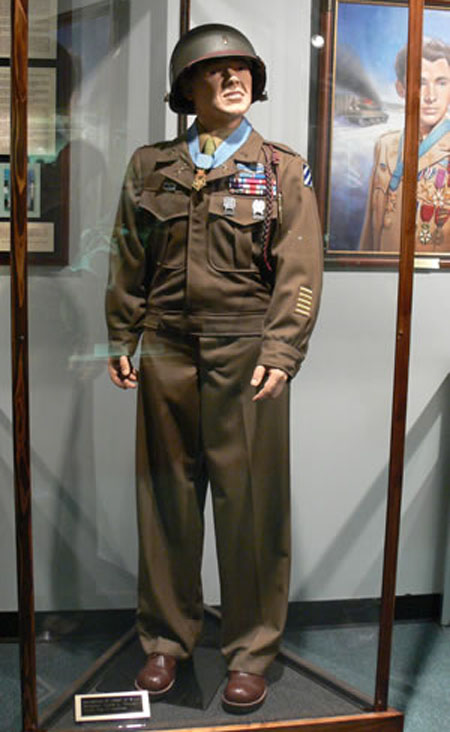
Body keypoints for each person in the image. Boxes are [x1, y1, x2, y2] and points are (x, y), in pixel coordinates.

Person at [105, 23, 322, 713]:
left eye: (243, 68)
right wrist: (122, 330)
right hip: (166, 352)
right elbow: (126, 256)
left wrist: (283, 348)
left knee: (251, 507)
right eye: (216, 69)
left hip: (246, 357)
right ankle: (166, 642)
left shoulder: (282, 168)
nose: (235, 78)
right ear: (187, 88)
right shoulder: (151, 167)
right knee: (166, 502)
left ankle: (252, 649)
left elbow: (301, 268)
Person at [359, 37, 450, 253]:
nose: (430, 96)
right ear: (401, 88)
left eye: (442, 83)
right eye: (420, 82)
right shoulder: (385, 146)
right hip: (383, 272)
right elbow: (370, 232)